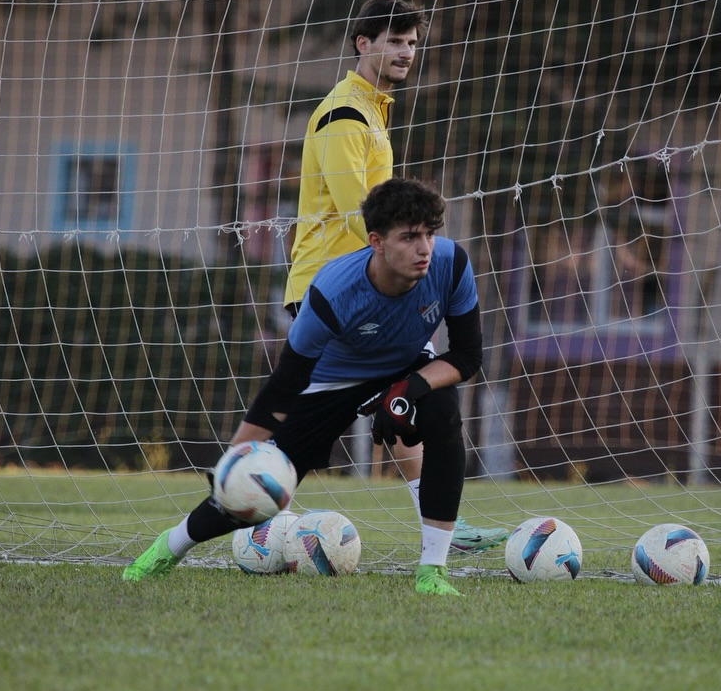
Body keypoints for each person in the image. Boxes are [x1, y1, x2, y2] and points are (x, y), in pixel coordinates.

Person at [124, 178, 481, 596]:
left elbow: (467, 356)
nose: (424, 248)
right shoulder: (333, 293)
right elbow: (282, 388)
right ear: (376, 242)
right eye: (409, 237)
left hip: (406, 366)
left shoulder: (451, 264)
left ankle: (432, 572)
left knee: (443, 415)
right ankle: (170, 546)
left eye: (429, 234)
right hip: (332, 380)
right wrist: (232, 463)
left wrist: (411, 388)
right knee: (258, 488)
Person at [284, 0, 506, 553]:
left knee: (413, 390)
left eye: (411, 42)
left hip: (365, 287)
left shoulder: (372, 108)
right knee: (322, 424)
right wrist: (408, 279)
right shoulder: (343, 115)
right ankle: (258, 514)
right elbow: (365, 216)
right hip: (333, 290)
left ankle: (438, 524)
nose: (406, 51)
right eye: (393, 40)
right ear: (363, 43)